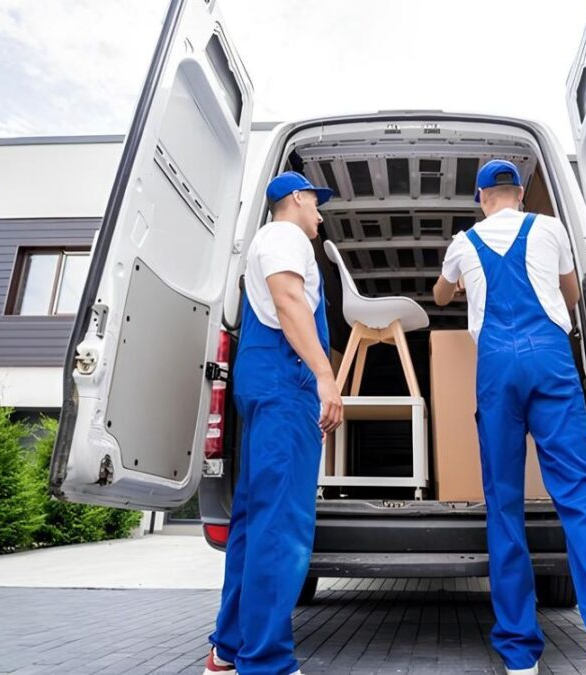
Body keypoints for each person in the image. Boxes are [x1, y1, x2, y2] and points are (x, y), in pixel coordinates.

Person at [433, 160, 586, 675]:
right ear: (520, 194)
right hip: (550, 357)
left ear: (481, 197)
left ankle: (519, 653)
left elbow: (439, 294)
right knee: (580, 496)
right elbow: (571, 295)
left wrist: (459, 284)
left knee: (504, 505)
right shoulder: (551, 229)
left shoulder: (464, 242)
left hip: (496, 366)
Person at [205, 171, 343, 675]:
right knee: (282, 525)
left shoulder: (267, 240)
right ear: (298, 199)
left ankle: (230, 647)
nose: (320, 215)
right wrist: (325, 377)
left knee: (254, 521)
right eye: (316, 204)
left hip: (266, 376)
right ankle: (265, 663)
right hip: (287, 383)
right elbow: (288, 302)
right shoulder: (285, 235)